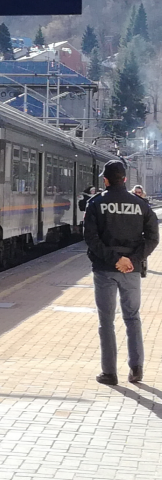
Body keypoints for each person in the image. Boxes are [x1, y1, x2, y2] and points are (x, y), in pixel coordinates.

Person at [84, 160, 159, 386]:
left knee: (106, 321)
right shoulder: (141, 205)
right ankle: (136, 369)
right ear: (125, 179)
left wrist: (115, 259)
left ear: (105, 180)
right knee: (132, 317)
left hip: (105, 269)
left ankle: (109, 373)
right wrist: (132, 260)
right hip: (131, 271)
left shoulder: (96, 203)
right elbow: (153, 238)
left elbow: (91, 239)